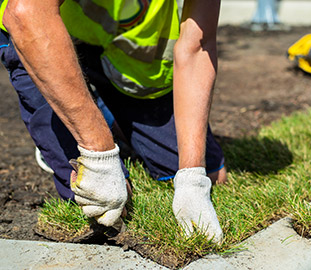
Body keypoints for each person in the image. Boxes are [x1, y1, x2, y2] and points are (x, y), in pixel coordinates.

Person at [0, 0, 225, 243]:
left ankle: (100, 108)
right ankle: (73, 110)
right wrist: (99, 154)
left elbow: (198, 46)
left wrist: (192, 179)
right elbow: (26, 13)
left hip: (123, 43)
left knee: (214, 175)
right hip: (41, 33)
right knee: (106, 208)